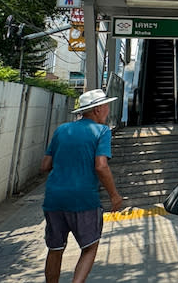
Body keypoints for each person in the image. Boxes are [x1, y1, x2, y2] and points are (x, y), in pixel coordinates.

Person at [41, 88, 123, 283]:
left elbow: (44, 166)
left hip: (54, 198)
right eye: (106, 106)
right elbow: (101, 167)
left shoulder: (62, 130)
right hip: (84, 198)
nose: (108, 110)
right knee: (89, 247)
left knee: (55, 248)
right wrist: (114, 195)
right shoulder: (101, 131)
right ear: (97, 109)